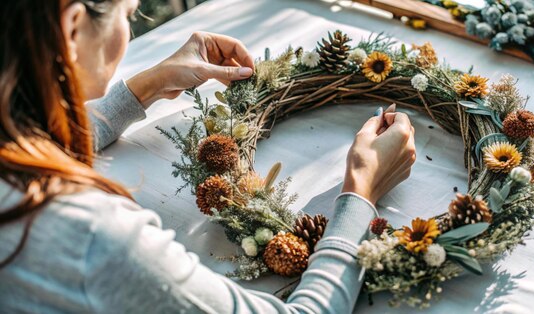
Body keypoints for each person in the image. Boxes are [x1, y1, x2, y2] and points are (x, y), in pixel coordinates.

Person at [0, 0, 416, 313]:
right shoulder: (92, 239)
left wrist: (147, 85)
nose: (129, 30)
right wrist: (361, 188)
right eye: (128, 14)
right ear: (72, 27)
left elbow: (30, 141)